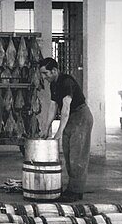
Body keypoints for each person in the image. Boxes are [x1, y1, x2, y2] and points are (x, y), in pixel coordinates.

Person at [39, 58, 93, 201]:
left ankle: (76, 191)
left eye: (46, 73)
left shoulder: (66, 82)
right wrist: (46, 128)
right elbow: (53, 107)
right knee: (68, 154)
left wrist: (59, 131)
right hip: (70, 117)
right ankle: (71, 188)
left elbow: (66, 108)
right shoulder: (54, 85)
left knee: (77, 154)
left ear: (55, 71)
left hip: (81, 116)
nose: (44, 77)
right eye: (42, 74)